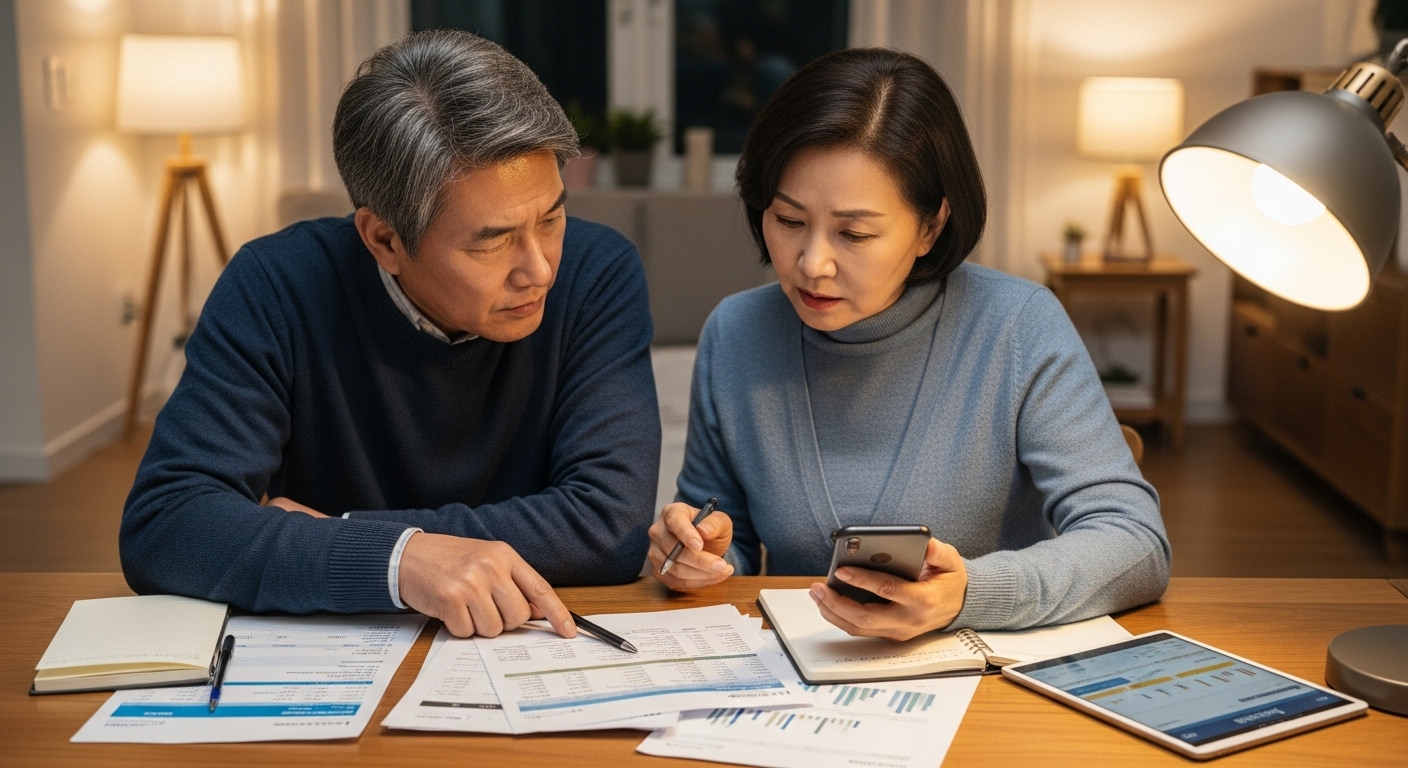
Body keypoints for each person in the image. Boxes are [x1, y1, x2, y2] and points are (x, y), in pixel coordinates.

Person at [121, 30, 661, 639]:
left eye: (553, 217)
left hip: (525, 644)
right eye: (492, 240)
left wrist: (345, 536)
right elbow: (167, 525)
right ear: (384, 240)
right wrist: (400, 562)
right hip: (334, 665)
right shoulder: (275, 285)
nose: (540, 269)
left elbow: (609, 527)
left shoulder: (598, 273)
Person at [648, 48, 1170, 640]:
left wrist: (969, 594)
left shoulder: (1018, 325)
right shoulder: (736, 332)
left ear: (931, 225)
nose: (811, 263)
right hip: (795, 684)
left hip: (986, 683)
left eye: (855, 233)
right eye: (788, 220)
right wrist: (697, 552)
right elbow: (726, 538)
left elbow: (1134, 541)